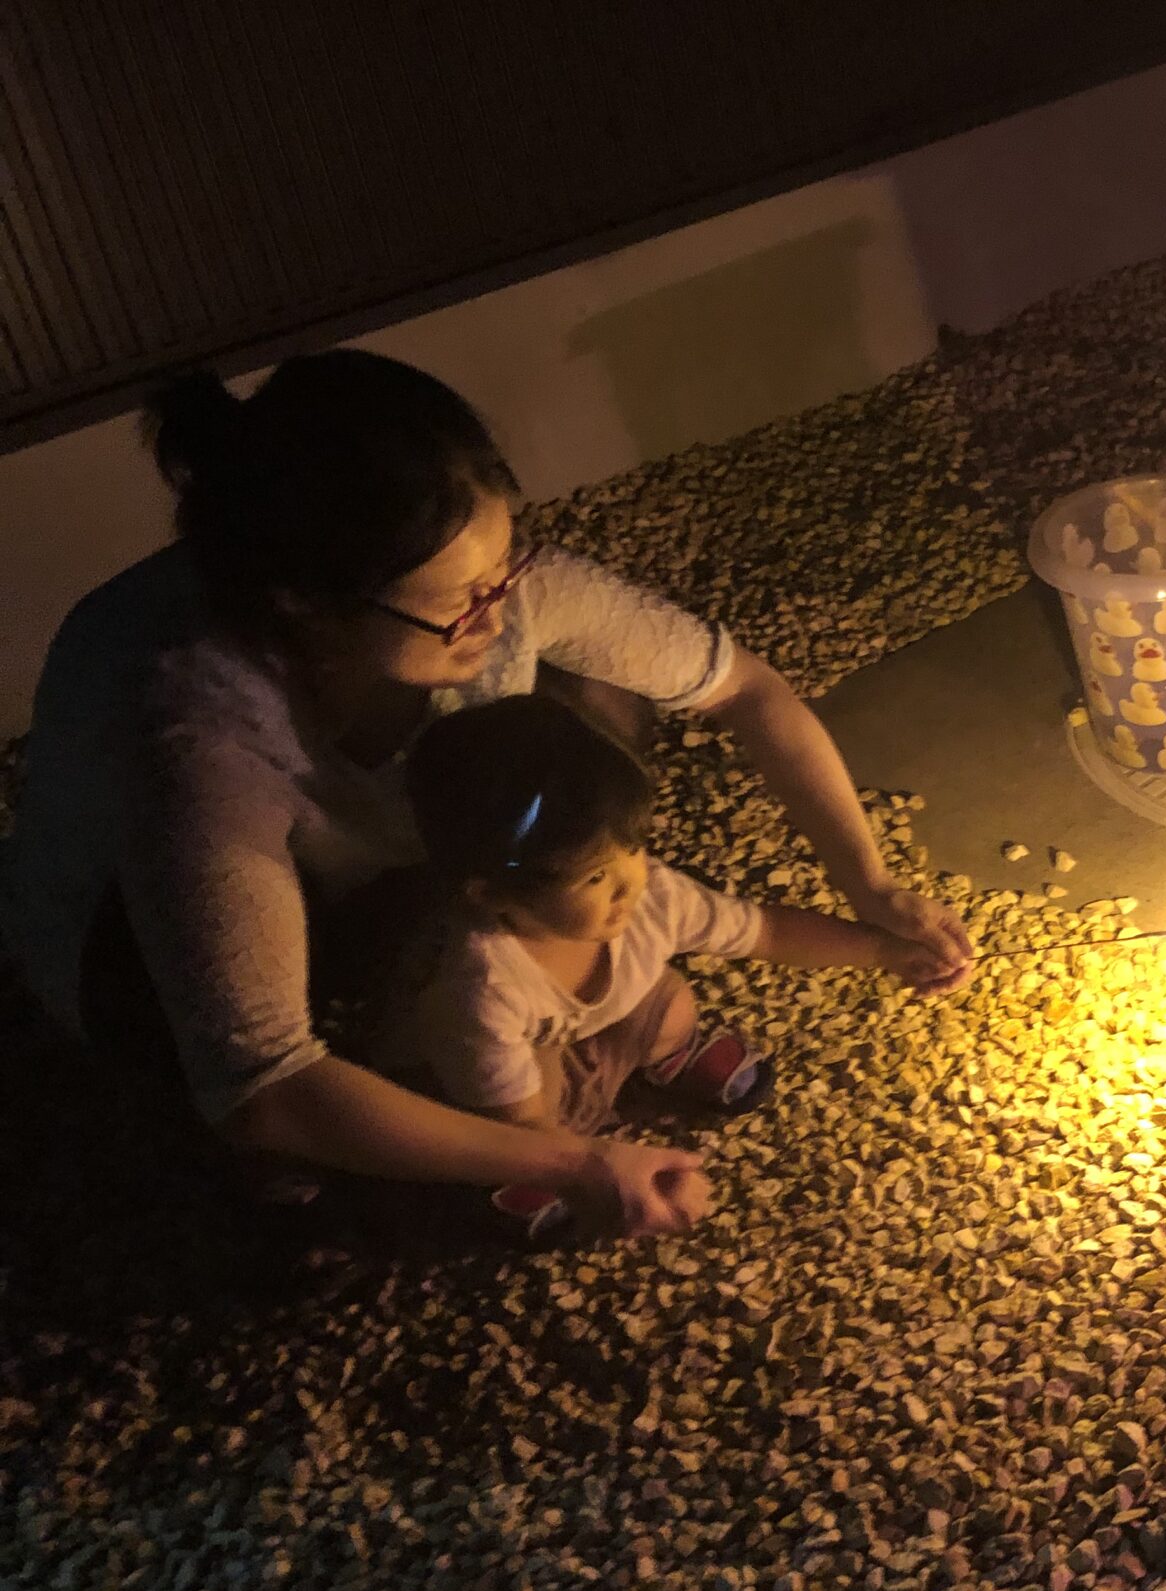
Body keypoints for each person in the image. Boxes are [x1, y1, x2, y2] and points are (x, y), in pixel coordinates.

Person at [0, 349, 971, 1238]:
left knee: (591, 700)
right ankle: (329, 1133)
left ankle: (423, 1063)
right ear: (306, 604)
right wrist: (582, 1160)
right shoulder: (200, 732)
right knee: (281, 1093)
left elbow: (747, 691)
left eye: (504, 566)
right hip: (131, 951)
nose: (496, 609)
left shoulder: (496, 591)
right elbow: (266, 1079)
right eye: (460, 600)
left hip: (420, 855)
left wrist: (870, 885)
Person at [399, 695, 949, 1240]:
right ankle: (522, 1181)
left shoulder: (648, 898)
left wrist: (884, 952)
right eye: (592, 877)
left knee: (670, 1001)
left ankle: (669, 1054)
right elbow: (521, 1123)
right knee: (532, 1117)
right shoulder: (482, 989)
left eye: (632, 847)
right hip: (519, 1080)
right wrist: (622, 1176)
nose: (627, 883)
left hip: (599, 1022)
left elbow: (768, 932)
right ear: (493, 894)